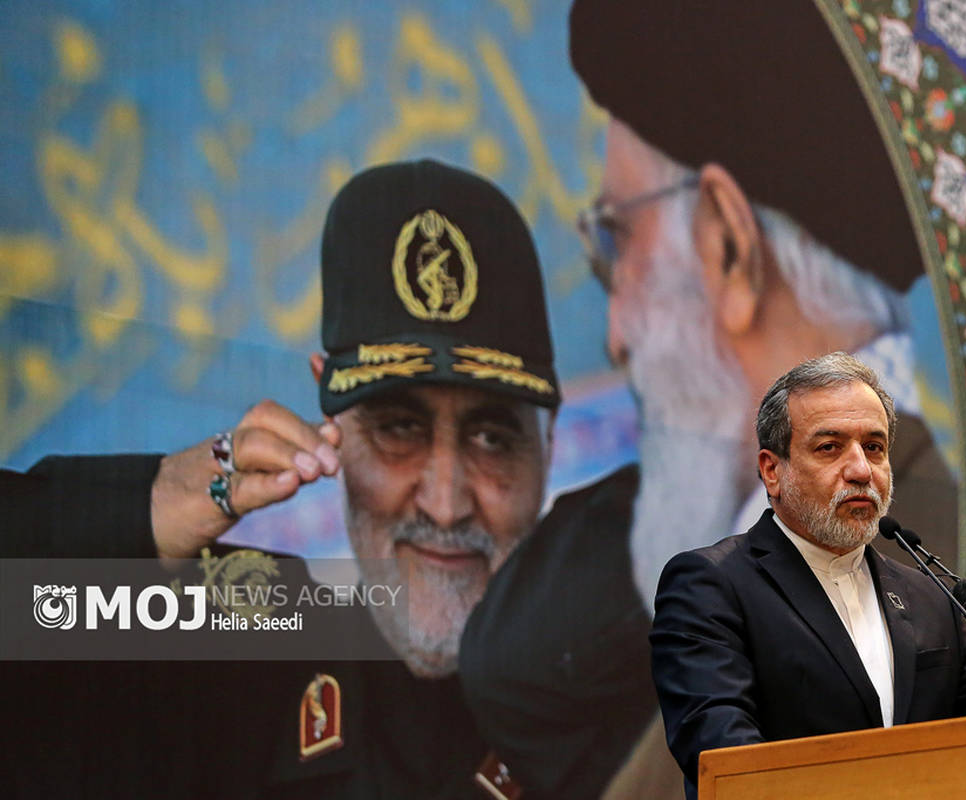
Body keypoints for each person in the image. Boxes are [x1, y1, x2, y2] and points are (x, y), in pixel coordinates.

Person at [460, 2, 960, 796]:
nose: (616, 334)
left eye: (620, 241)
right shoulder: (817, 560)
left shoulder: (902, 595)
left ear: (728, 246)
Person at [4, 159, 562, 798]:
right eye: (400, 428)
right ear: (334, 422)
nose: (444, 504)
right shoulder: (246, 629)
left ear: (548, 443)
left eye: (492, 439)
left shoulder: (627, 686)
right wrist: (139, 513)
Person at [649, 353, 966, 798]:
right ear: (772, 470)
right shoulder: (711, 585)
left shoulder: (931, 597)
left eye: (874, 448)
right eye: (829, 447)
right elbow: (727, 758)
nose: (861, 470)